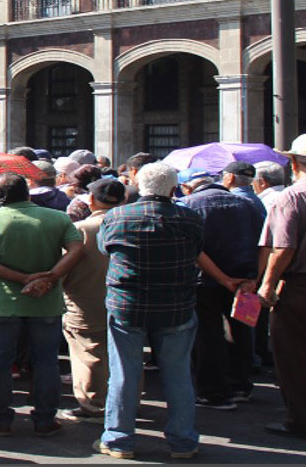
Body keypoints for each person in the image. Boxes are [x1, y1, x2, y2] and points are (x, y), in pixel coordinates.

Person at [96, 162, 204, 459]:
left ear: (138, 186)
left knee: (124, 374)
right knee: (178, 373)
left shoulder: (117, 216)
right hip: (176, 305)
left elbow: (105, 249)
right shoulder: (190, 218)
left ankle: (119, 440)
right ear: (173, 188)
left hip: (128, 306)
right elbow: (196, 251)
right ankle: (183, 441)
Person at [0, 173, 83, 438]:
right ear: (27, 192)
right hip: (46, 302)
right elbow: (77, 249)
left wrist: (21, 279)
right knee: (46, 362)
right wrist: (50, 277)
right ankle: (45, 419)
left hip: (2, 303)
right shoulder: (57, 218)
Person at [256, 133, 306, 439]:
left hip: (302, 287)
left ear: (294, 162)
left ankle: (305, 420)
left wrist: (267, 285)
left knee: (297, 356)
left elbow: (283, 248)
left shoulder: (293, 196)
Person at [179, 168, 263, 410]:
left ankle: (213, 390)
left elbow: (193, 248)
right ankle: (240, 384)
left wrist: (223, 277)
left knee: (208, 333)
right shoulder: (247, 204)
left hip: (204, 280)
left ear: (189, 187)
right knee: (243, 328)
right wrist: (254, 277)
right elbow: (265, 242)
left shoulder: (188, 204)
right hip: (244, 278)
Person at [60, 177, 123, 422]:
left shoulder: (82, 229)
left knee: (89, 352)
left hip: (85, 297)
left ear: (92, 200)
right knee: (125, 350)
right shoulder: (128, 223)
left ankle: (93, 404)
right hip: (123, 297)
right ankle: (128, 399)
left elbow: (64, 264)